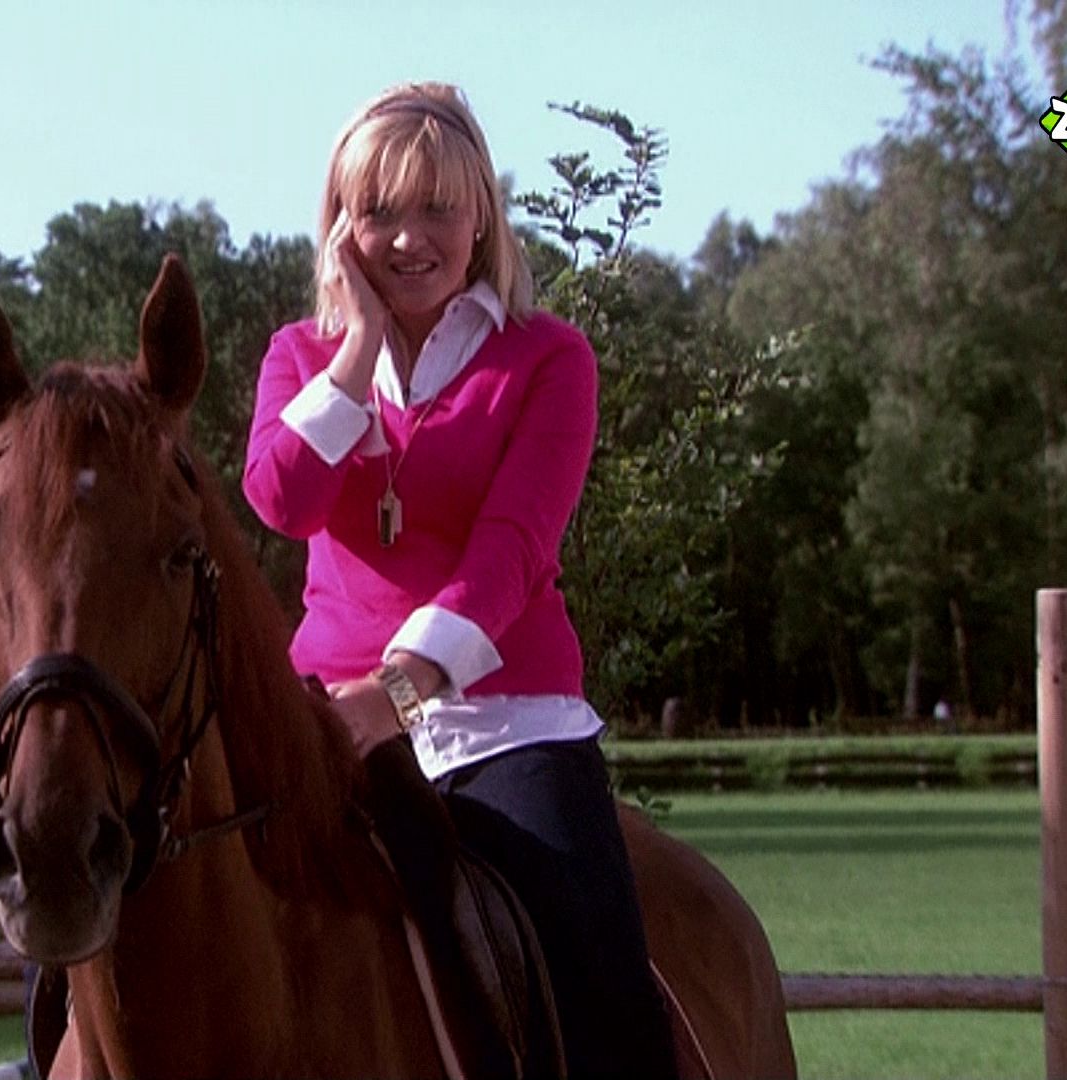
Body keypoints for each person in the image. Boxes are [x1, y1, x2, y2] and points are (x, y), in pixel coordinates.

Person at [243, 81, 676, 1079]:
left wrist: (395, 695)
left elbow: (511, 555)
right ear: (340, 225)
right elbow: (280, 499)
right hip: (320, 726)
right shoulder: (299, 356)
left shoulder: (550, 359)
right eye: (379, 210)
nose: (409, 237)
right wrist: (355, 351)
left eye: (438, 206)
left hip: (506, 725)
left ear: (481, 215)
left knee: (597, 989)